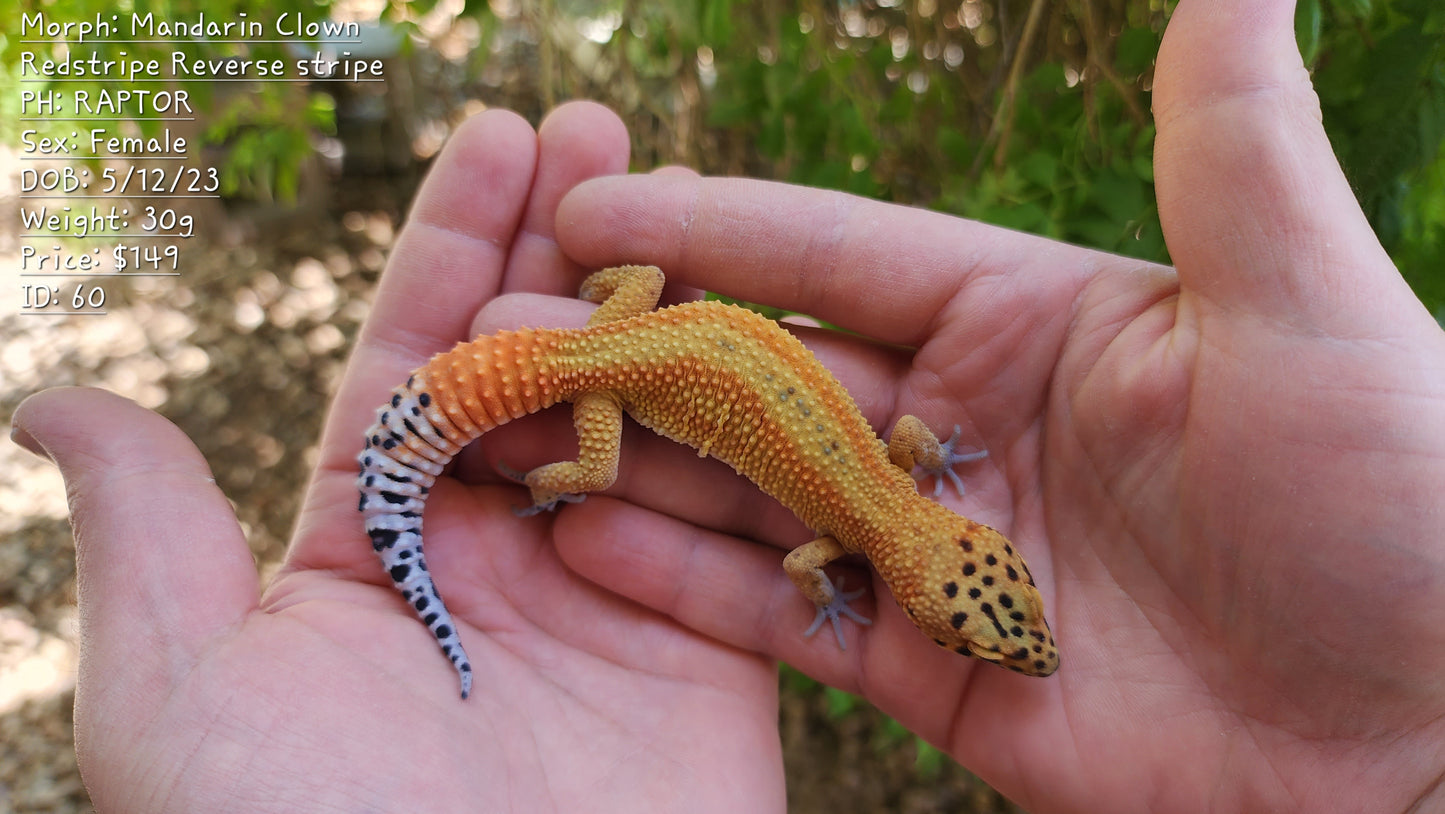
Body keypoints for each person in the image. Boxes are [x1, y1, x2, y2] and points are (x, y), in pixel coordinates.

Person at [12, 0, 1445, 811]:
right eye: (978, 615)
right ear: (952, 563)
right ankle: (468, 482)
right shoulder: (844, 542)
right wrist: (555, 479)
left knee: (567, 339)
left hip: (634, 319)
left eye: (982, 622)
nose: (989, 632)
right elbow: (816, 559)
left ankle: (451, 459)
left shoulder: (897, 487)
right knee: (567, 470)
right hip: (614, 393)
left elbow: (881, 469)